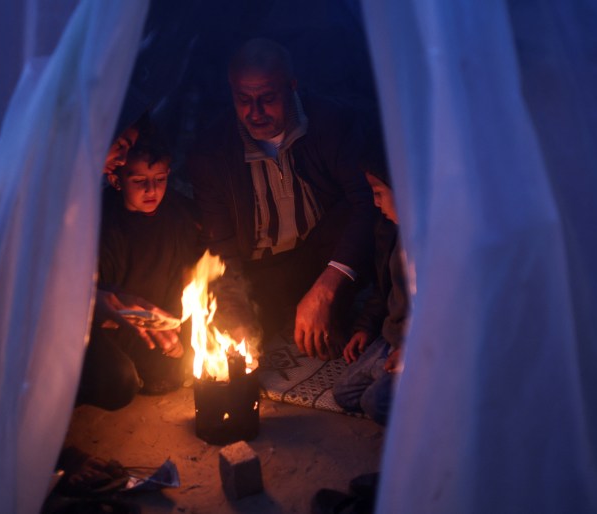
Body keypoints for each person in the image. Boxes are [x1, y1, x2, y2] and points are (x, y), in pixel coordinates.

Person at [187, 38, 381, 360]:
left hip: (322, 255)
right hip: (262, 269)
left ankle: (328, 305)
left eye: (267, 98)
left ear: (291, 87)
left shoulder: (331, 123)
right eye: (243, 100)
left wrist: (326, 290)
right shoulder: (211, 152)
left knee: (358, 210)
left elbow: (365, 202)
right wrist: (235, 307)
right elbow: (222, 247)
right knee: (231, 340)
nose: (255, 112)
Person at [76, 129, 202, 410]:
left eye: (159, 180)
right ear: (115, 179)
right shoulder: (104, 225)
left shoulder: (178, 215)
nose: (151, 190)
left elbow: (195, 273)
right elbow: (96, 305)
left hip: (165, 320)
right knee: (125, 380)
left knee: (184, 365)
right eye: (139, 181)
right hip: (117, 325)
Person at [332, 167, 409, 426]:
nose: (375, 203)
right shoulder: (390, 231)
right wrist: (366, 327)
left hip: (425, 344)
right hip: (392, 336)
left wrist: (410, 350)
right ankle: (390, 371)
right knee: (344, 392)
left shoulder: (437, 242)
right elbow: (384, 289)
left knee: (374, 403)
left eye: (379, 193)